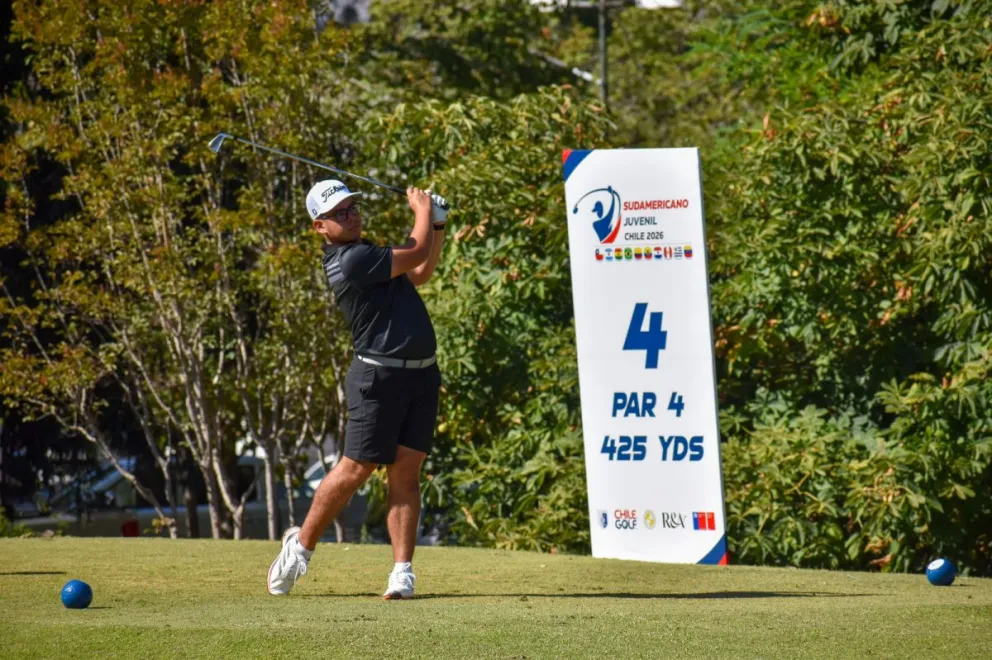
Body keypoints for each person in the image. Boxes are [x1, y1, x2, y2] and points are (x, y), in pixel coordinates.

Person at [267, 179, 448, 600]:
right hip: (377, 378)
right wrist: (421, 208)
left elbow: (419, 271)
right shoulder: (350, 260)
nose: (350, 217)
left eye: (352, 208)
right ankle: (301, 547)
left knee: (406, 472)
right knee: (356, 469)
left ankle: (402, 572)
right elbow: (416, 252)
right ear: (319, 227)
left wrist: (435, 225)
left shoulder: (371, 254)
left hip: (421, 374)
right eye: (338, 213)